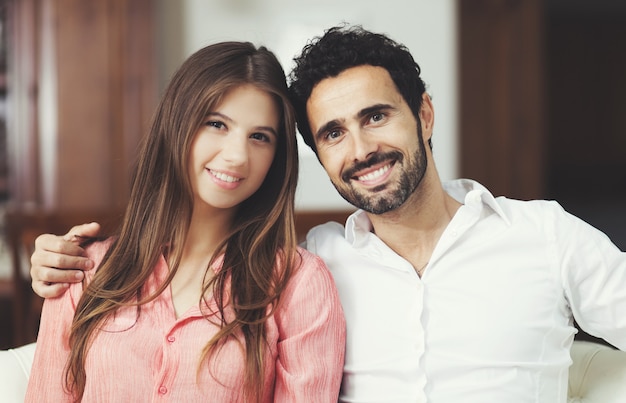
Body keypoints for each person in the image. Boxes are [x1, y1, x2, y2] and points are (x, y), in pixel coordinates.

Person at [29, 24, 626, 403]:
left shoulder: (544, 235)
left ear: (424, 114)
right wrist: (57, 263)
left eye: (376, 116)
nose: (361, 149)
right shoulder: (318, 262)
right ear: (316, 155)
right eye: (334, 133)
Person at [24, 41, 345, 403]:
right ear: (177, 124)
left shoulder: (298, 284)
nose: (238, 156)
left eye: (259, 137)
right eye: (217, 124)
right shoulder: (83, 270)